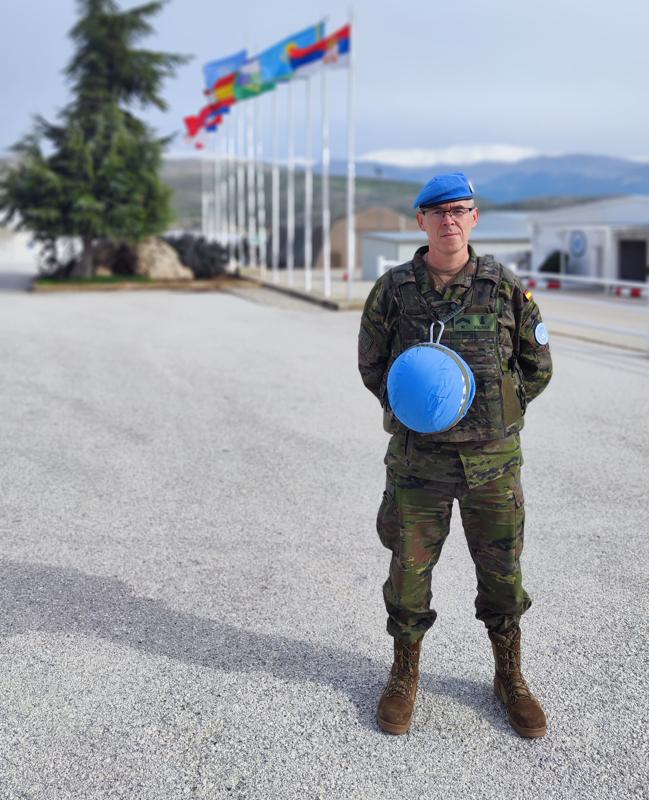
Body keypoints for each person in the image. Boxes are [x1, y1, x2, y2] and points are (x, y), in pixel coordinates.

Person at [358, 172, 552, 738]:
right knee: (409, 575)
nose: (449, 220)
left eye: (460, 210)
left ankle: (509, 678)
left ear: (473, 218)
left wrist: (495, 416)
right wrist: (419, 413)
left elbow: (537, 365)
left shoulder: (504, 287)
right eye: (437, 211)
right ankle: (403, 675)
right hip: (420, 467)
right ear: (420, 220)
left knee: (503, 576)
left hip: (493, 466)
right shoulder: (394, 290)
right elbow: (373, 366)